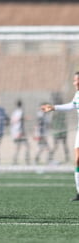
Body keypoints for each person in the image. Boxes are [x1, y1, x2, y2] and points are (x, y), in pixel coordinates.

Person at [41, 71, 79, 201]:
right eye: (74, 80)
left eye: (76, 80)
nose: (75, 83)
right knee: (77, 160)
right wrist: (54, 107)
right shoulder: (77, 95)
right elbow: (71, 106)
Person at [49, 93, 70, 163]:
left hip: (60, 130)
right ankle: (51, 156)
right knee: (60, 145)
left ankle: (66, 157)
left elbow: (52, 122)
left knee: (61, 145)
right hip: (59, 130)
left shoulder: (58, 111)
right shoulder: (59, 111)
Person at [11, 100, 30, 165]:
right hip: (20, 132)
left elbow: (13, 121)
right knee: (27, 146)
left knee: (18, 147)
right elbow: (19, 121)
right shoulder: (20, 112)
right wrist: (20, 132)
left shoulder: (14, 112)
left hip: (15, 132)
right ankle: (27, 160)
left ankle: (14, 160)